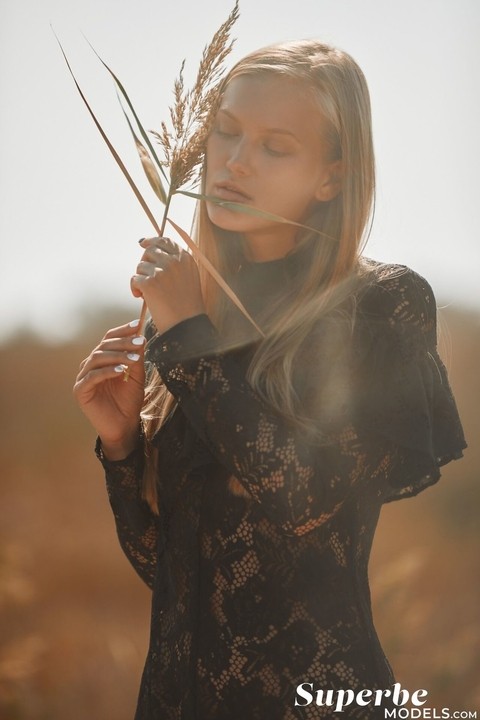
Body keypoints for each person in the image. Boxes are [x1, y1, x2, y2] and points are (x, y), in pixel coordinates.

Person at [74, 40, 466, 719]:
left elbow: (304, 500)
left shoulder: (377, 305)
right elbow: (175, 576)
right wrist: (121, 448)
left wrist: (190, 341)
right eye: (226, 132)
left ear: (332, 177)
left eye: (274, 146)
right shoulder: (191, 315)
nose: (234, 160)